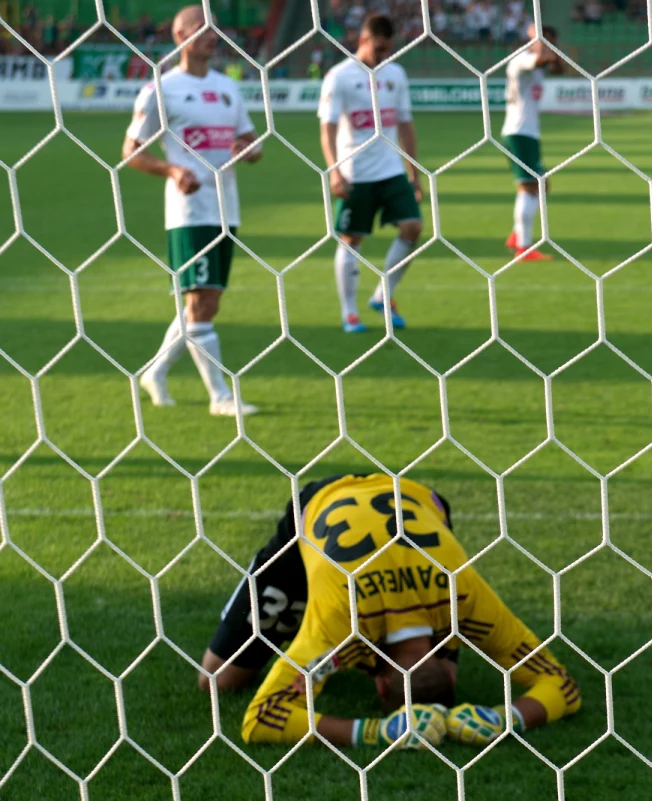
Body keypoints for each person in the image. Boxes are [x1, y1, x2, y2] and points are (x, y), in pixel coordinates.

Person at [227, 473, 581, 747]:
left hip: (415, 495)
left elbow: (265, 717)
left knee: (230, 678)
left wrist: (505, 718)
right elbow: (257, 722)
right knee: (219, 678)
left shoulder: (467, 598)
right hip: (315, 508)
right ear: (379, 687)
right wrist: (375, 732)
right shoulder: (342, 621)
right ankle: (282, 585)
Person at [125, 5, 262, 417]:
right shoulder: (160, 90)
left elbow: (252, 142)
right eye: (201, 28)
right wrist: (171, 169)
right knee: (200, 305)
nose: (211, 35)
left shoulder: (227, 87)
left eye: (214, 29)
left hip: (226, 209)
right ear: (179, 35)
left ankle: (155, 371)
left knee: (206, 306)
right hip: (189, 211)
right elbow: (131, 152)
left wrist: (248, 150)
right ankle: (221, 396)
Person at [319, 13, 422, 333]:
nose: (384, 56)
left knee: (413, 227)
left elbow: (405, 124)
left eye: (388, 49)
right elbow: (328, 128)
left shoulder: (396, 74)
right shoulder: (339, 76)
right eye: (379, 49)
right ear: (362, 40)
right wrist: (334, 172)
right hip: (355, 172)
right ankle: (349, 312)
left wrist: (414, 172)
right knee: (352, 240)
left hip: (391, 169)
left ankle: (383, 294)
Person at [502, 23, 563, 262]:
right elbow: (541, 59)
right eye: (547, 40)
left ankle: (518, 236)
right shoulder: (522, 60)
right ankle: (523, 247)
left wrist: (547, 48)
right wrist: (536, 40)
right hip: (519, 132)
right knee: (530, 186)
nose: (551, 47)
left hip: (528, 133)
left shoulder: (538, 65)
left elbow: (559, 69)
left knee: (540, 185)